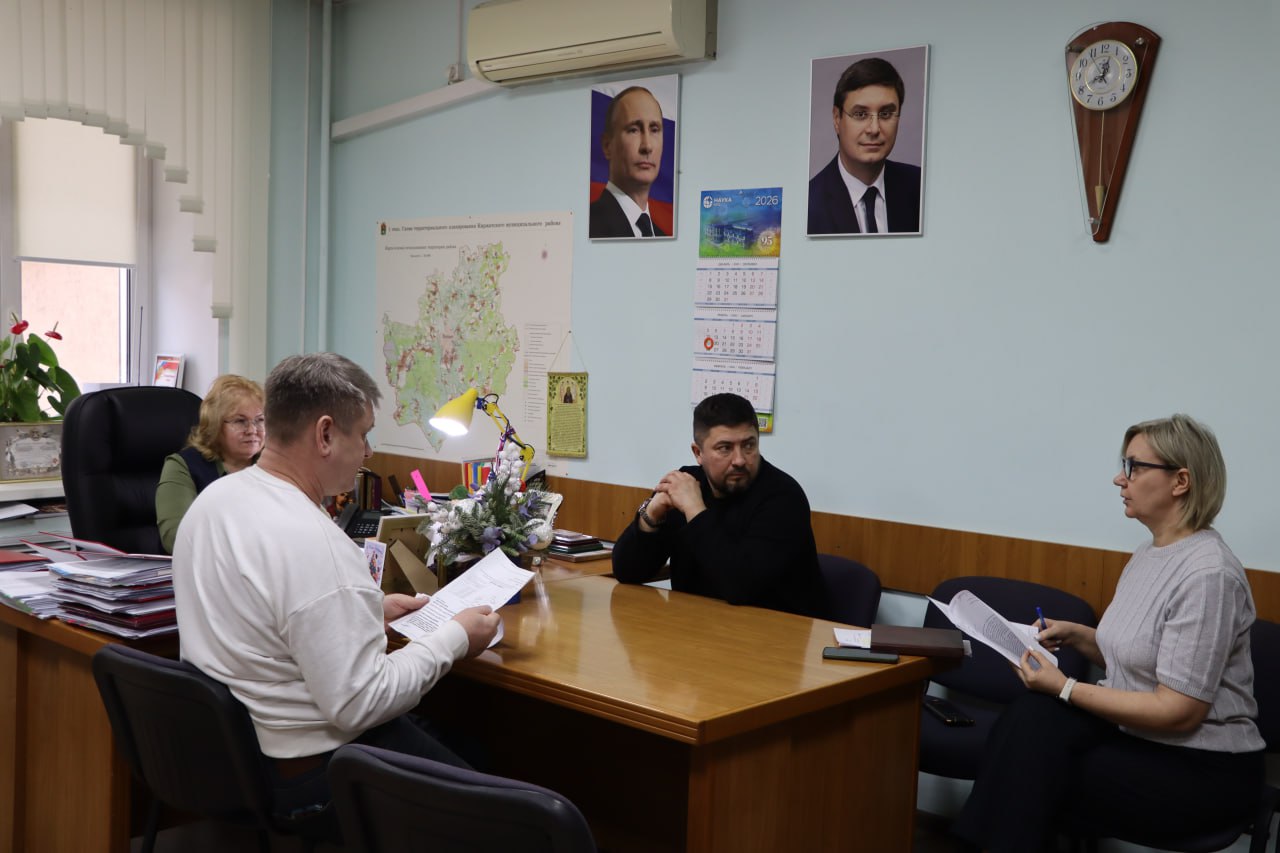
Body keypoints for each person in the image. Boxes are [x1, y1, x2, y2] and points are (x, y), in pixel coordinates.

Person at [172, 353, 500, 825]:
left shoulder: (215, 501)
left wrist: (367, 611)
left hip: (232, 758)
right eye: (363, 434)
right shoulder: (317, 543)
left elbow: (266, 616)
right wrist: (454, 638)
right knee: (500, 817)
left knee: (469, 750)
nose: (368, 452)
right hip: (311, 772)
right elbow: (360, 703)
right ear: (325, 434)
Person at [953, 414, 1265, 852]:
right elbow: (1148, 658)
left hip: (1203, 768)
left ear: (1180, 481)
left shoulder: (1209, 575)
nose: (1120, 479)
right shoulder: (1149, 552)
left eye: (1135, 467)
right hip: (1141, 739)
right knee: (1030, 717)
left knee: (1031, 766)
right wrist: (1080, 636)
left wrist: (1064, 688)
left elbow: (1178, 711)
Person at [611, 393, 825, 617]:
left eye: (749, 445)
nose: (739, 459)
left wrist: (695, 510)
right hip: (699, 626)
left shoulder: (783, 497)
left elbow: (740, 587)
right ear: (698, 453)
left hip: (776, 630)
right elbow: (627, 571)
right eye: (725, 448)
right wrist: (651, 516)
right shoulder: (687, 484)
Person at [807, 56, 922, 235]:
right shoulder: (808, 202)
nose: (874, 129)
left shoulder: (920, 187)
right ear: (837, 119)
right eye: (860, 114)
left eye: (885, 114)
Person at [155, 374, 265, 554]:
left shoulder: (273, 466)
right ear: (215, 426)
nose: (252, 430)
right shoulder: (183, 465)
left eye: (260, 420)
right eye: (240, 421)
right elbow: (176, 539)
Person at [589, 86, 667, 238]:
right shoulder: (590, 225)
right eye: (633, 130)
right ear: (607, 146)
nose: (647, 146)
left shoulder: (662, 237)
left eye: (654, 129)